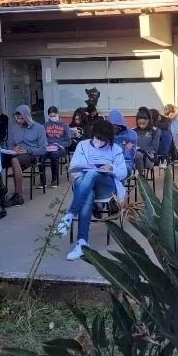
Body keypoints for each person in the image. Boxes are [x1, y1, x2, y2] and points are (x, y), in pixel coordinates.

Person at [56, 119, 128, 261]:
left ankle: (69, 215)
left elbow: (123, 173)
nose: (101, 141)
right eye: (98, 137)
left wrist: (111, 168)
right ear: (94, 134)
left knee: (92, 173)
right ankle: (82, 243)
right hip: (84, 186)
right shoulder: (83, 145)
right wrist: (86, 167)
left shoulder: (115, 149)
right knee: (88, 189)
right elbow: (73, 168)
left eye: (105, 139)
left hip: (106, 187)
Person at [3, 105, 48, 205]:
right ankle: (1, 190)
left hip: (31, 155)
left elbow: (43, 149)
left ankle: (18, 196)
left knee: (14, 160)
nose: (19, 121)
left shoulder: (39, 128)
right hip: (15, 153)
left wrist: (27, 150)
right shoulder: (14, 128)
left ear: (27, 116)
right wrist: (13, 149)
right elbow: (9, 145)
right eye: (17, 118)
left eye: (21, 118)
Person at [41, 106, 71, 188]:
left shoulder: (64, 125)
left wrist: (59, 144)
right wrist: (47, 144)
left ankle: (54, 180)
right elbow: (42, 139)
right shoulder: (45, 125)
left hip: (60, 147)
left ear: (58, 114)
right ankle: (42, 181)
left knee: (53, 155)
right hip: (48, 146)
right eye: (51, 116)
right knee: (41, 155)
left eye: (54, 116)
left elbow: (68, 141)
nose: (53, 118)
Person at [108, 109, 137, 175]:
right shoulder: (106, 134)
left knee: (118, 171)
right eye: (111, 127)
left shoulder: (131, 134)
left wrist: (126, 151)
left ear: (121, 126)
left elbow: (130, 156)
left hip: (125, 163)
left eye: (115, 127)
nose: (113, 129)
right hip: (109, 164)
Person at [133, 107, 160, 175]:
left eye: (144, 124)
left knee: (138, 155)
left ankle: (141, 178)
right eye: (140, 124)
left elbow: (154, 148)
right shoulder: (133, 131)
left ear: (149, 121)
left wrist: (143, 151)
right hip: (134, 158)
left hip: (149, 158)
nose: (142, 126)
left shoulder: (155, 131)